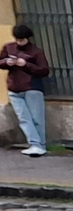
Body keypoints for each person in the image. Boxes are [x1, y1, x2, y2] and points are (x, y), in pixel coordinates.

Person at [3, 24, 50, 156]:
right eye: (17, 39)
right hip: (14, 88)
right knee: (23, 118)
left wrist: (26, 65)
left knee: (36, 118)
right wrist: (7, 62)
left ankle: (40, 145)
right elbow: (0, 61)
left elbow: (44, 70)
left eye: (22, 39)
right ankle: (35, 144)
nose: (19, 42)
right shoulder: (8, 48)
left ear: (28, 38)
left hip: (32, 88)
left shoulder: (36, 52)